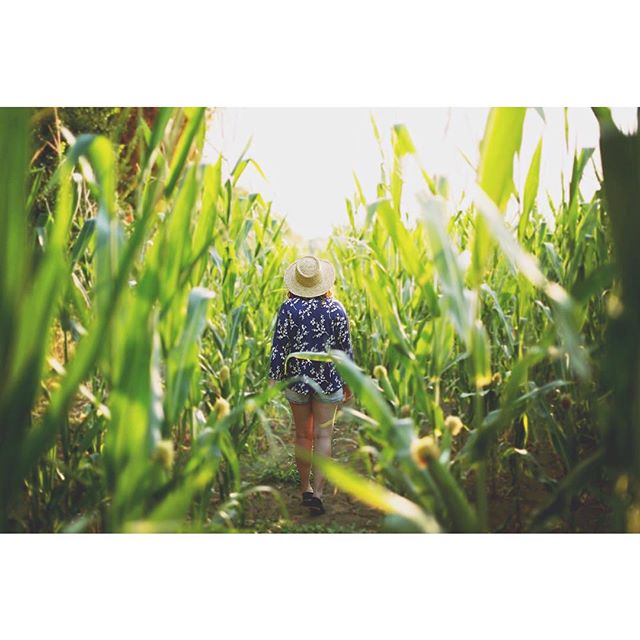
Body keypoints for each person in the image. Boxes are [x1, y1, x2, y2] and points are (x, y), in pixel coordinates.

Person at [268, 255, 354, 516]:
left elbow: (279, 346)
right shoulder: (337, 308)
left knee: (303, 435)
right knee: (324, 436)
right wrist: (348, 381)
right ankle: (318, 493)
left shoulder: (288, 308)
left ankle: (304, 488)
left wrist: (274, 378)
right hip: (328, 379)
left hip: (298, 379)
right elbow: (345, 349)